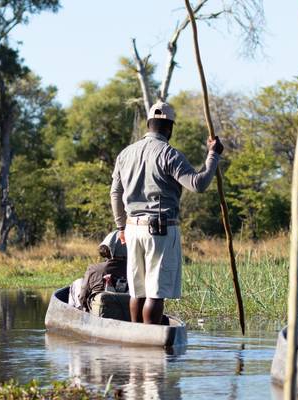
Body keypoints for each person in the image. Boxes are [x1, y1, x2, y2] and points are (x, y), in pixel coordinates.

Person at [110, 101, 223, 324]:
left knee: (138, 291)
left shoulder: (125, 154)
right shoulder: (169, 154)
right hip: (160, 230)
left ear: (148, 125)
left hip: (132, 229)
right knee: (155, 292)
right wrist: (213, 156)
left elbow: (115, 193)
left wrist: (121, 226)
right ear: (170, 128)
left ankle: (136, 338)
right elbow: (197, 184)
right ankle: (152, 341)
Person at [76, 230, 127, 311]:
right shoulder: (134, 270)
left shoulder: (93, 269)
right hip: (126, 312)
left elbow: (82, 297)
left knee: (78, 283)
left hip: (97, 312)